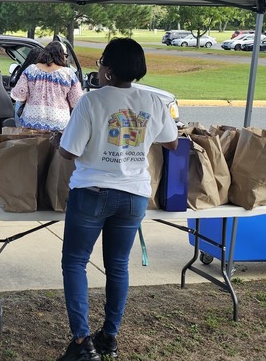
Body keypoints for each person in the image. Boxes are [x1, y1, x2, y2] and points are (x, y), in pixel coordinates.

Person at [55, 38, 178, 361]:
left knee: (75, 262)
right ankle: (109, 337)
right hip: (134, 194)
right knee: (118, 266)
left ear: (108, 70)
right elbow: (171, 142)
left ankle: (82, 343)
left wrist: (60, 140)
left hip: (92, 191)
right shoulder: (154, 101)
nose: (98, 68)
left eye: (100, 63)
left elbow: (70, 151)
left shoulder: (91, 101)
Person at [11, 41, 83, 131]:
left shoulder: (31, 70)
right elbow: (77, 102)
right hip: (59, 124)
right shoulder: (68, 74)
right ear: (60, 55)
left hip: (32, 123)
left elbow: (19, 95)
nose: (65, 59)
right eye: (65, 55)